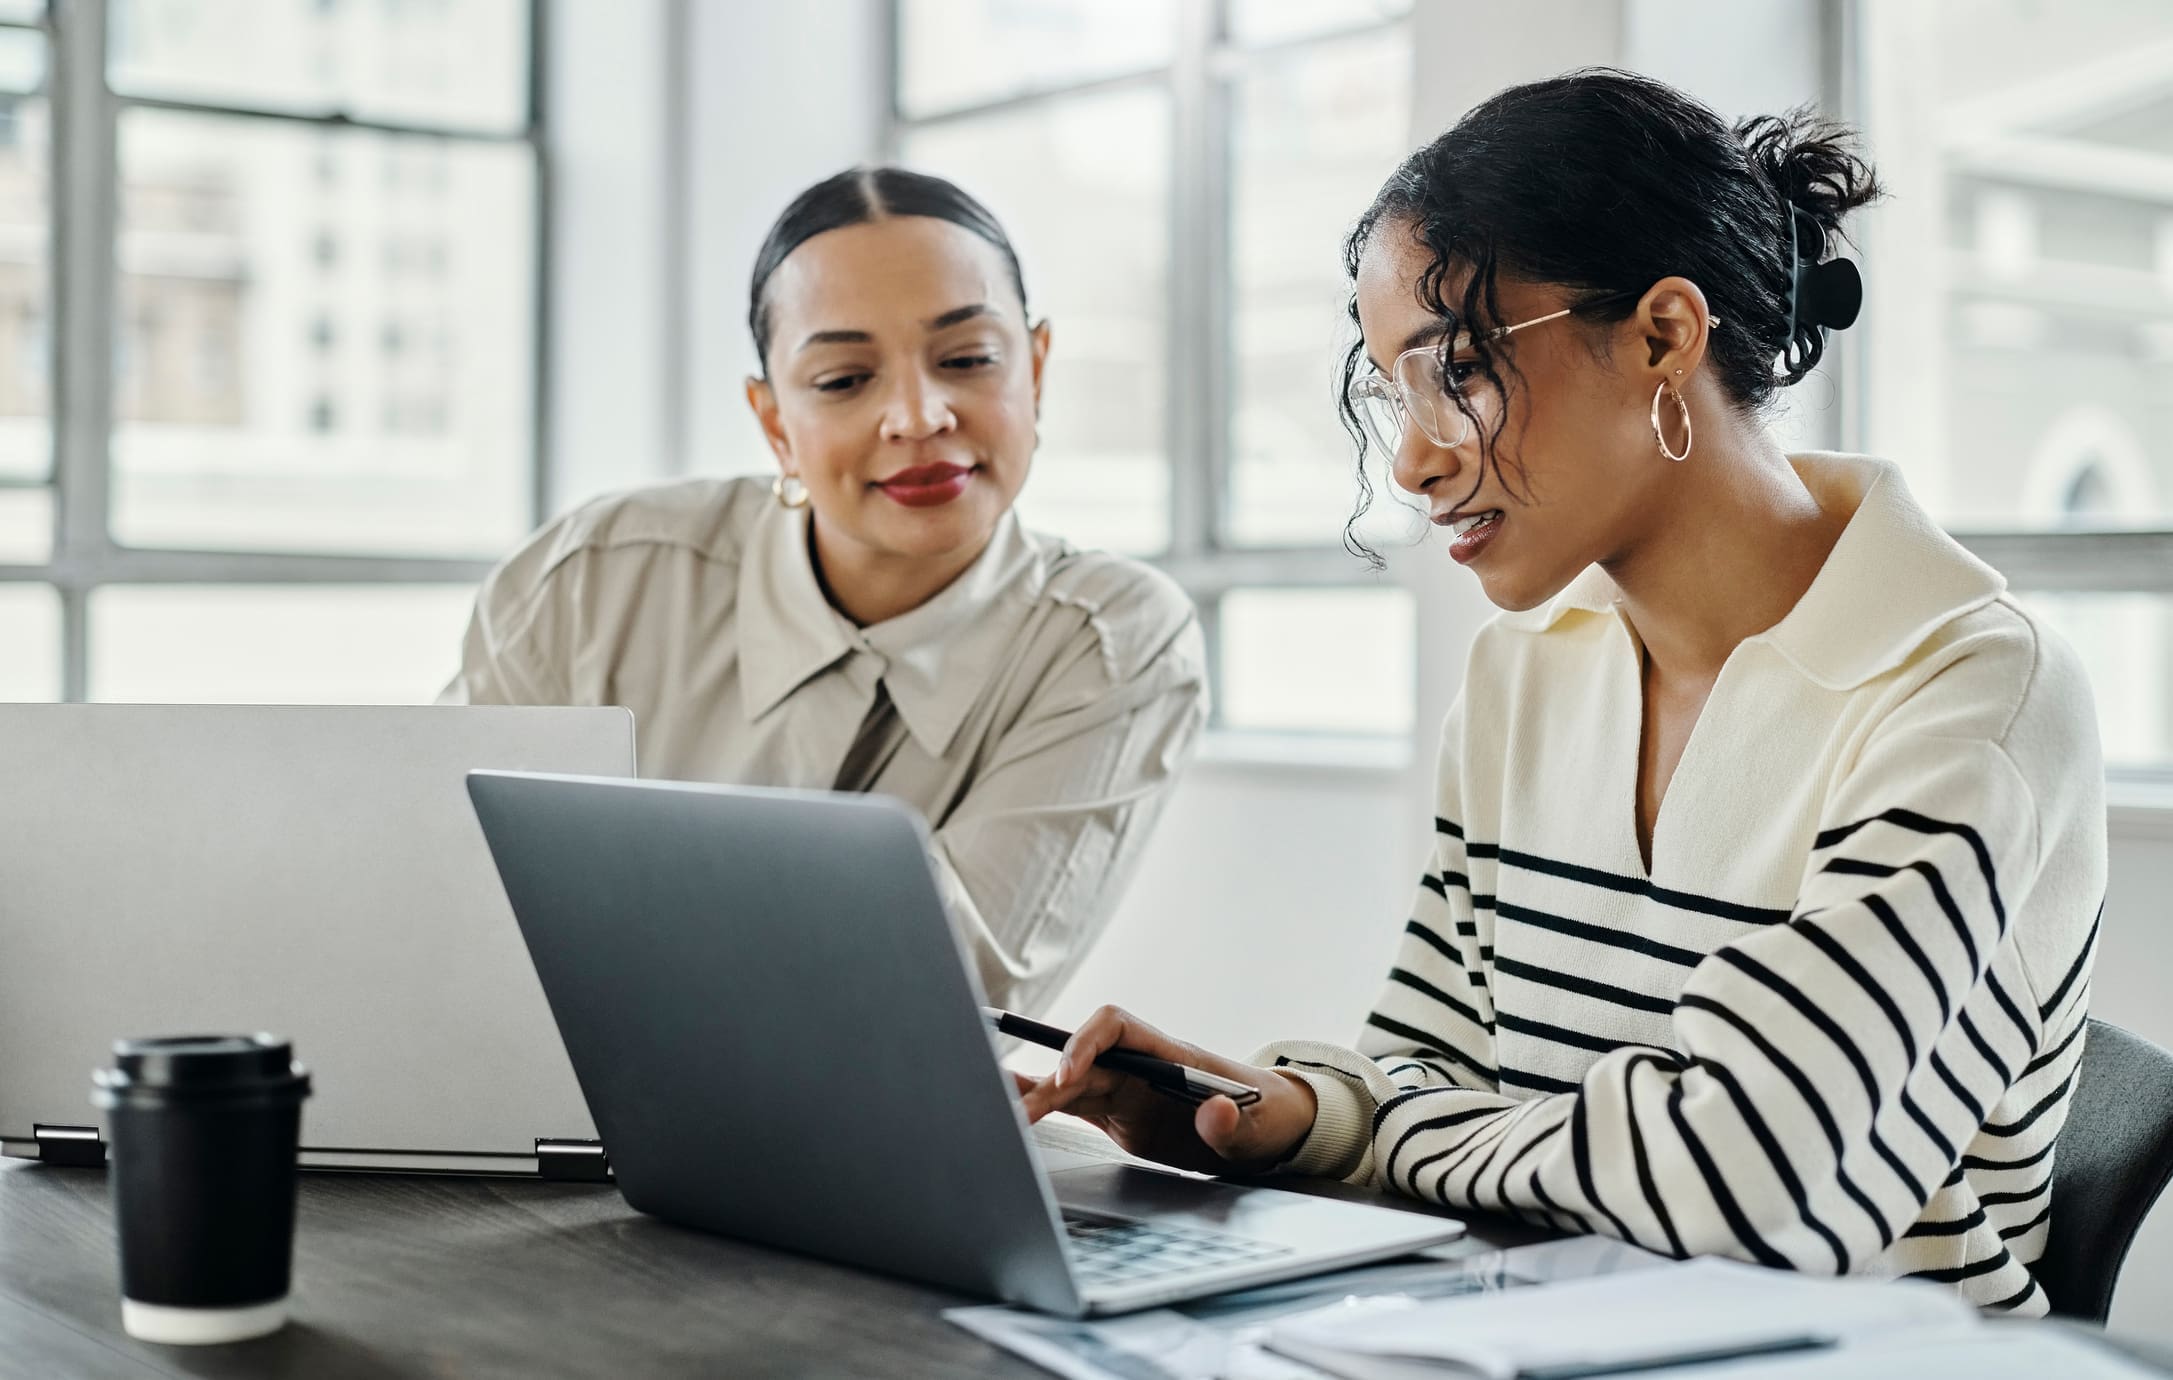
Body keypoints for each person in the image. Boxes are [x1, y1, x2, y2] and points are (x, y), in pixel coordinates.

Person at [1018, 69, 2104, 1313]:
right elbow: (1431, 1064)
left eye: (1461, 372)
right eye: (1395, 392)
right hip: (1525, 1332)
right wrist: (1290, 1117)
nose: (1416, 460)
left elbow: (1756, 1187)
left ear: (1662, 335)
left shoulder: (1970, 689)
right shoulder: (1525, 669)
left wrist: (1388, 1138)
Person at [445, 167, 1208, 1015]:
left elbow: (935, 995)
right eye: (844, 380)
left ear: (1035, 368)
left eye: (968, 359)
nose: (917, 418)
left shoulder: (1112, 640)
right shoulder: (593, 580)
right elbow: (444, 894)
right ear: (774, 422)